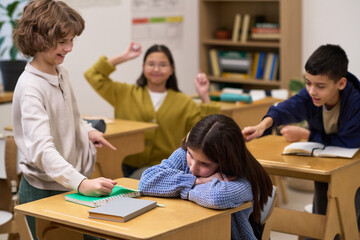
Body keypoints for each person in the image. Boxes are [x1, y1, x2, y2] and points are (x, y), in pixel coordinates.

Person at [12, 1, 117, 239]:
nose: (69, 48)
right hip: (44, 190)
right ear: (37, 38)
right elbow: (42, 150)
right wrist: (81, 184)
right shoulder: (31, 87)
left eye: (71, 40)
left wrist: (87, 131)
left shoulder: (61, 73)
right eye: (62, 42)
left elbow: (72, 116)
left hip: (68, 183)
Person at [242, 44, 360, 236]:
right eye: (308, 83)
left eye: (320, 86)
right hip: (326, 163)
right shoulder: (313, 94)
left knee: (349, 217)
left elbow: (348, 142)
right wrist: (262, 126)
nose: (312, 91)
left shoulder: (356, 102)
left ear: (341, 83)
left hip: (354, 169)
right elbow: (288, 107)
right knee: (321, 210)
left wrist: (307, 135)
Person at [84, 43, 220, 178]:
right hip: (121, 164)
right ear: (143, 67)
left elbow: (208, 131)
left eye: (163, 65)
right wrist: (124, 56)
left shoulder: (184, 102)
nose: (156, 69)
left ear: (172, 69)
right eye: (151, 64)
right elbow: (93, 75)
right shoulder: (125, 93)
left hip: (163, 169)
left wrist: (204, 95)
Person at [138, 114, 273, 240]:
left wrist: (175, 186)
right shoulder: (184, 155)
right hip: (186, 231)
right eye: (190, 155)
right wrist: (197, 181)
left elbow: (217, 197)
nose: (193, 167)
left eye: (205, 164)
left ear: (225, 162)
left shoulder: (242, 179)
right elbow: (146, 181)